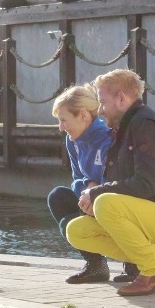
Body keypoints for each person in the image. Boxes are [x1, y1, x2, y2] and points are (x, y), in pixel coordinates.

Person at [66, 69, 155, 296]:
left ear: (121, 99)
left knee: (105, 204)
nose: (99, 111)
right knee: (78, 231)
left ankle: (154, 271)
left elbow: (145, 185)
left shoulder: (147, 126)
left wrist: (96, 193)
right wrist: (93, 199)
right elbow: (120, 183)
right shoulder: (124, 129)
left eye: (103, 102)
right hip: (154, 217)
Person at [46, 84, 113, 284]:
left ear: (83, 115)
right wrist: (88, 185)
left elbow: (121, 180)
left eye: (64, 120)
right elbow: (76, 177)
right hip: (89, 200)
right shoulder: (72, 139)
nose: (61, 127)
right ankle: (96, 264)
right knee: (58, 196)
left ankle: (134, 264)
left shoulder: (109, 138)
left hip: (113, 203)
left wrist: (97, 190)